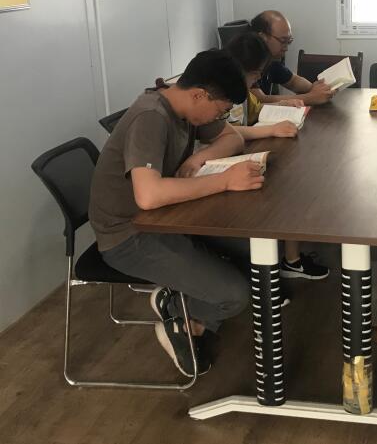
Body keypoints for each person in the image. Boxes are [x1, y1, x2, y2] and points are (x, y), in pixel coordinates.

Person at [89, 49, 264, 377]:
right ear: (199, 94)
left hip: (167, 219)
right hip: (128, 235)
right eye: (221, 110)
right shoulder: (151, 116)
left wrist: (199, 158)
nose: (219, 117)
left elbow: (232, 138)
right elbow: (148, 195)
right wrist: (224, 181)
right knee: (235, 295)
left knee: (252, 249)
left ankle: (187, 310)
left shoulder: (184, 107)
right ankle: (175, 311)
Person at [226, 32, 330, 280]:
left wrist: (282, 105)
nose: (258, 80)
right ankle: (274, 269)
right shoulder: (225, 90)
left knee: (293, 180)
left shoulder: (244, 89)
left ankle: (291, 259)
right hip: (230, 162)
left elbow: (257, 108)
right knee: (285, 188)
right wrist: (270, 129)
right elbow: (225, 131)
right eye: (256, 75)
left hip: (244, 151)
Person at [250, 10, 334, 106]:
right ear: (262, 38)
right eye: (283, 41)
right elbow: (259, 100)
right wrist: (311, 98)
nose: (286, 48)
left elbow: (293, 81)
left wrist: (317, 88)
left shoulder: (271, 60)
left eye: (289, 41)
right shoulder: (246, 59)